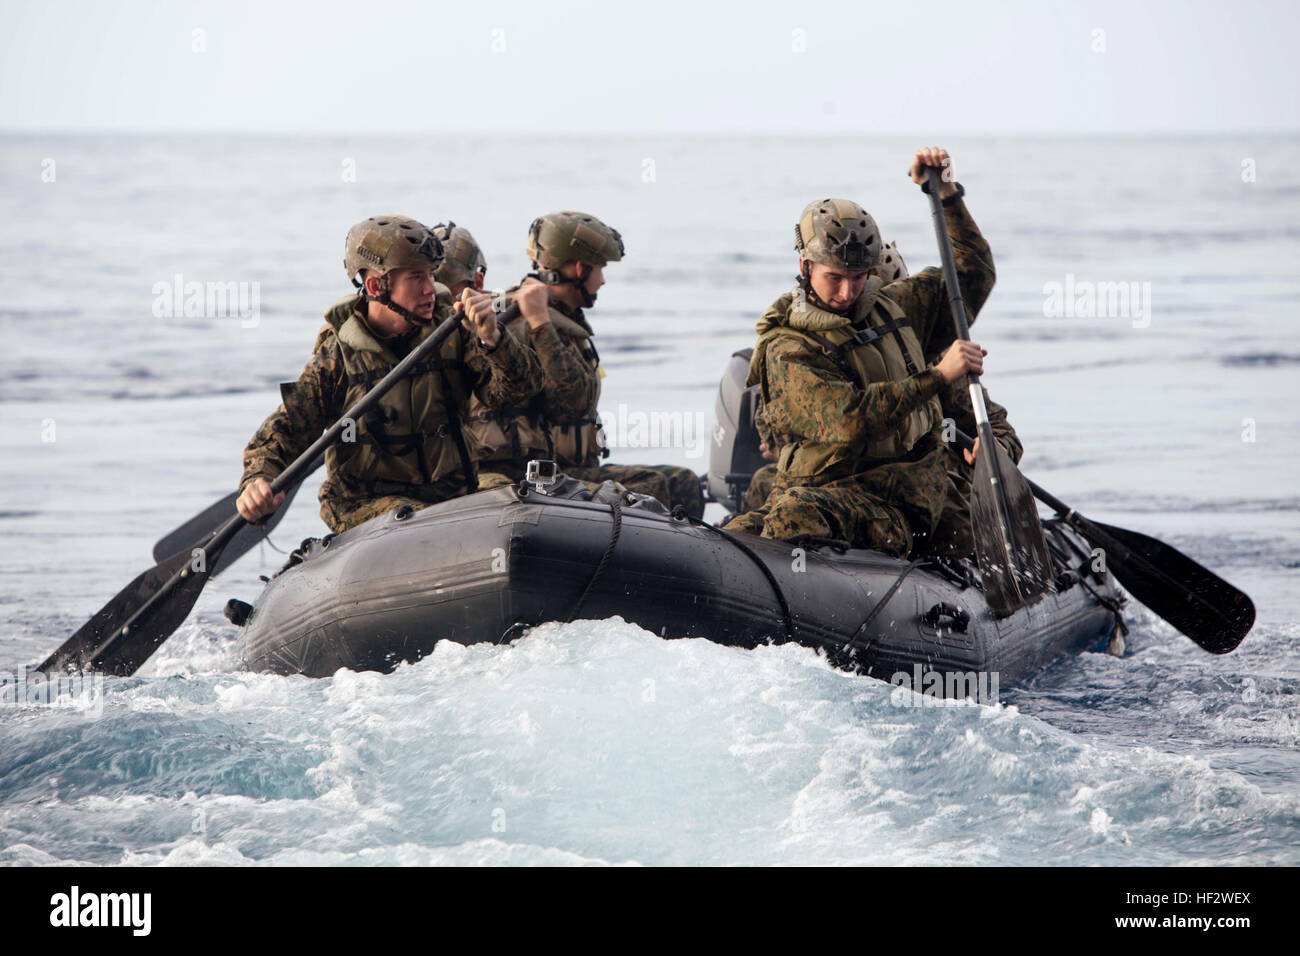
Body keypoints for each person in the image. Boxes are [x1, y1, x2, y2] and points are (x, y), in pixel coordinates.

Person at [722, 147, 996, 557]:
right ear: (805, 266)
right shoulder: (787, 348)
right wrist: (938, 376)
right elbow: (849, 419)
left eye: (858, 277)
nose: (848, 292)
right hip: (826, 489)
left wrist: (947, 196)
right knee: (736, 535)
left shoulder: (896, 307)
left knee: (794, 516)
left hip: (901, 499)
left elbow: (973, 274)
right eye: (835, 277)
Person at [236, 214, 544, 533]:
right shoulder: (338, 358)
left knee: (513, 506)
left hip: (451, 499)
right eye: (416, 278)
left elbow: (521, 392)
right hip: (366, 510)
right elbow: (283, 433)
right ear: (375, 285)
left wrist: (493, 340)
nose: (431, 289)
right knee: (411, 518)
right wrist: (257, 481)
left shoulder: (453, 333)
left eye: (431, 275)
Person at [470, 211, 705, 518]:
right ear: (580, 268)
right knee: (652, 486)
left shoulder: (562, 318)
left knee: (683, 482)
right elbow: (570, 403)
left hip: (570, 467)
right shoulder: (525, 322)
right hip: (531, 474)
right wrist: (540, 322)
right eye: (600, 269)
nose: (603, 279)